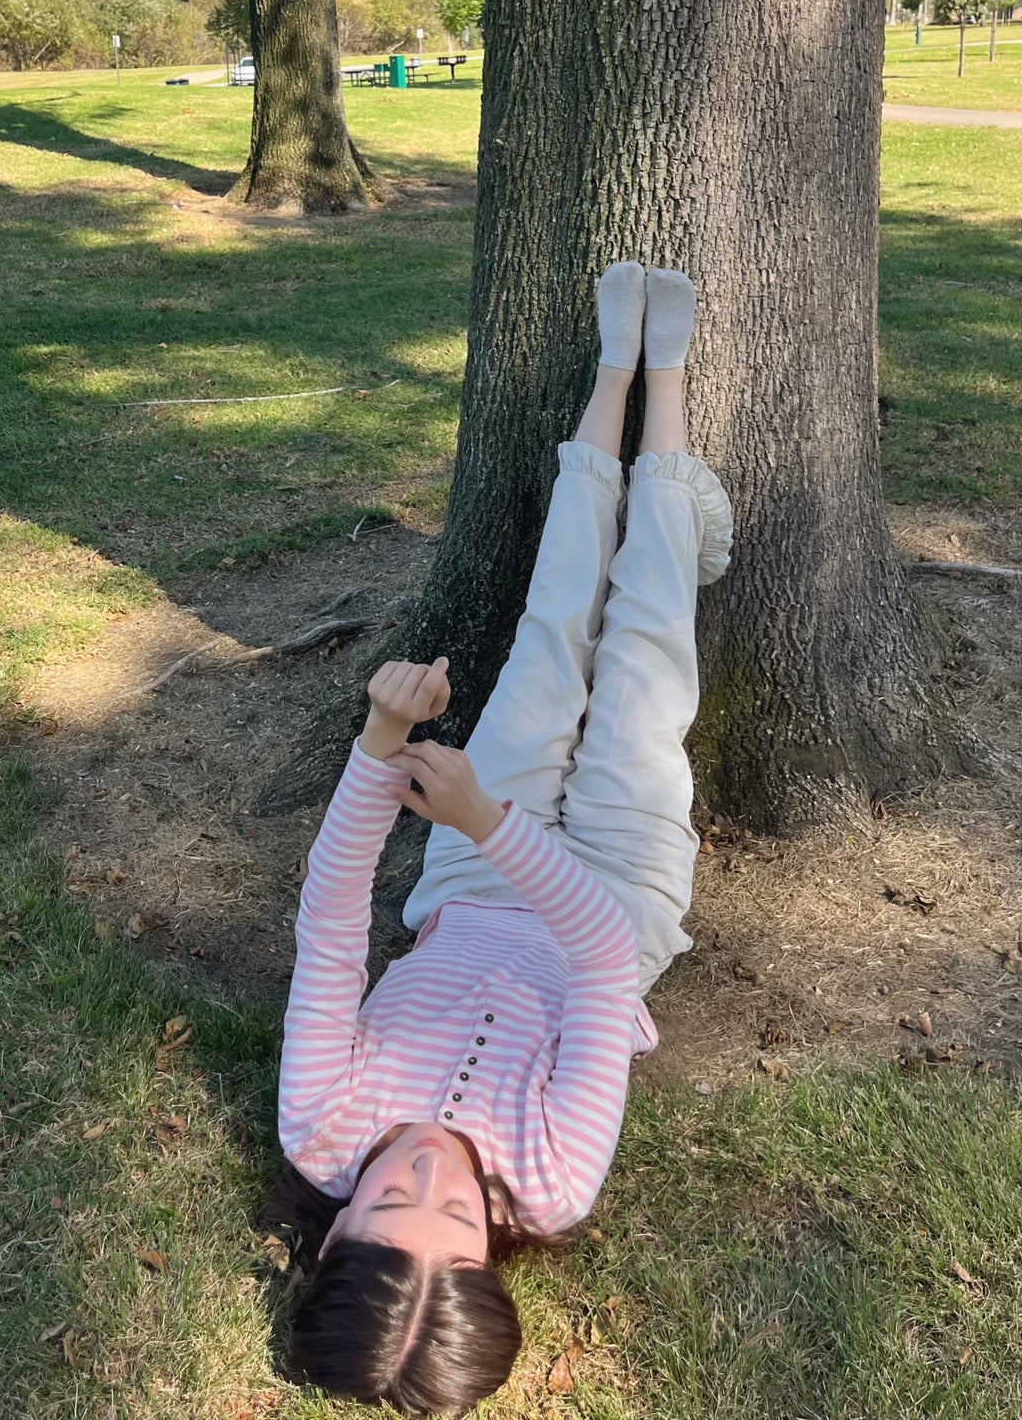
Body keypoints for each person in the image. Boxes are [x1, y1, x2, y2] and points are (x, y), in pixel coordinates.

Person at [270, 263, 734, 1415]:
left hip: (471, 879)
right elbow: (592, 959)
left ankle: (612, 374)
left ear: (329, 1241)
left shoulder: (318, 1126)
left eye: (387, 1207)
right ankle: (665, 399)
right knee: (641, 655)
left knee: (545, 628)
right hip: (614, 899)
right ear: (492, 1259)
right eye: (455, 1226)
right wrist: (483, 809)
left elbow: (329, 924)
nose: (429, 1178)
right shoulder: (552, 1178)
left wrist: (380, 742)